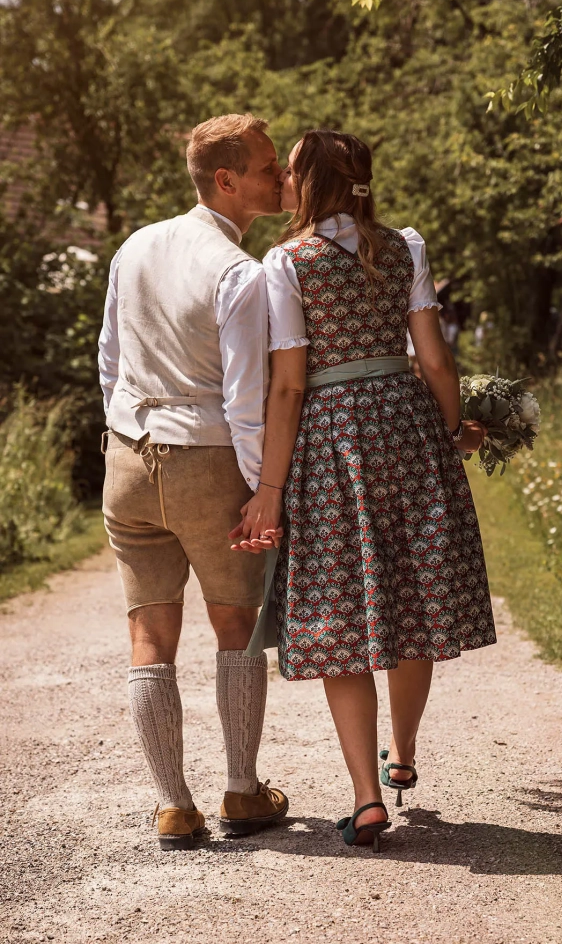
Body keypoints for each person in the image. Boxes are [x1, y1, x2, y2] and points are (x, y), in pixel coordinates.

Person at [231, 129, 496, 853]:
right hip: (407, 429)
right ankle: (403, 752)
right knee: (412, 592)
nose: (281, 182)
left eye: (287, 171)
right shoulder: (403, 245)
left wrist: (270, 487)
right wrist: (451, 435)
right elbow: (435, 360)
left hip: (332, 440)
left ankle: (366, 798)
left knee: (340, 609)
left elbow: (288, 383)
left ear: (310, 181)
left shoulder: (286, 261)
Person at [98, 113, 289, 851]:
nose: (279, 179)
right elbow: (246, 400)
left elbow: (109, 358)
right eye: (269, 167)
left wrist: (122, 435)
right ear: (227, 179)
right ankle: (242, 792)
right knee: (235, 626)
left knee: (149, 632)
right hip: (208, 457)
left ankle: (174, 807)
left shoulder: (135, 244)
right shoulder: (238, 272)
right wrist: (258, 489)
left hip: (128, 456)